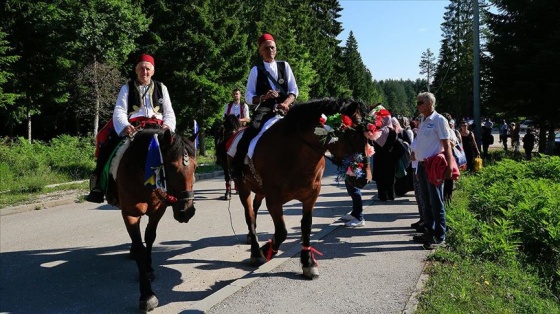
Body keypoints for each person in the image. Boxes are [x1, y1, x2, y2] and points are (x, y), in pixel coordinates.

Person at [86, 53, 176, 203]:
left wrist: (168, 126)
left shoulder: (162, 88)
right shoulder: (126, 88)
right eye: (141, 68)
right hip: (134, 129)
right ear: (136, 70)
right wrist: (126, 126)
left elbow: (169, 112)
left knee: (178, 153)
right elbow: (119, 111)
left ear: (153, 71)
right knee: (108, 147)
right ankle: (99, 187)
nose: (144, 72)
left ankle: (177, 190)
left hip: (158, 129)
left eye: (147, 69)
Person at [230, 33, 298, 180]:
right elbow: (248, 97)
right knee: (252, 129)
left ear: (276, 49)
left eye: (272, 47)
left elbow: (293, 90)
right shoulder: (256, 70)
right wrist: (263, 97)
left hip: (285, 106)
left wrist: (286, 103)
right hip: (265, 108)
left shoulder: (284, 66)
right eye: (266, 48)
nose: (270, 51)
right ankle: (238, 166)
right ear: (260, 51)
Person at [411, 92, 453, 250]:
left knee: (436, 201)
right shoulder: (422, 120)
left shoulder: (439, 120)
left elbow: (446, 145)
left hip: (433, 167)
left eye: (420, 102)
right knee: (426, 201)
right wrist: (416, 153)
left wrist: (449, 167)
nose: (418, 105)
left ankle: (440, 236)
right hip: (422, 166)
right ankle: (429, 231)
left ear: (429, 103)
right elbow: (423, 142)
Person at [442, 113, 461, 203]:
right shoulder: (438, 130)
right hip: (440, 158)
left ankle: (447, 201)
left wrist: (445, 141)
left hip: (448, 157)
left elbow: (453, 143)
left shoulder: (450, 131)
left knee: (448, 179)